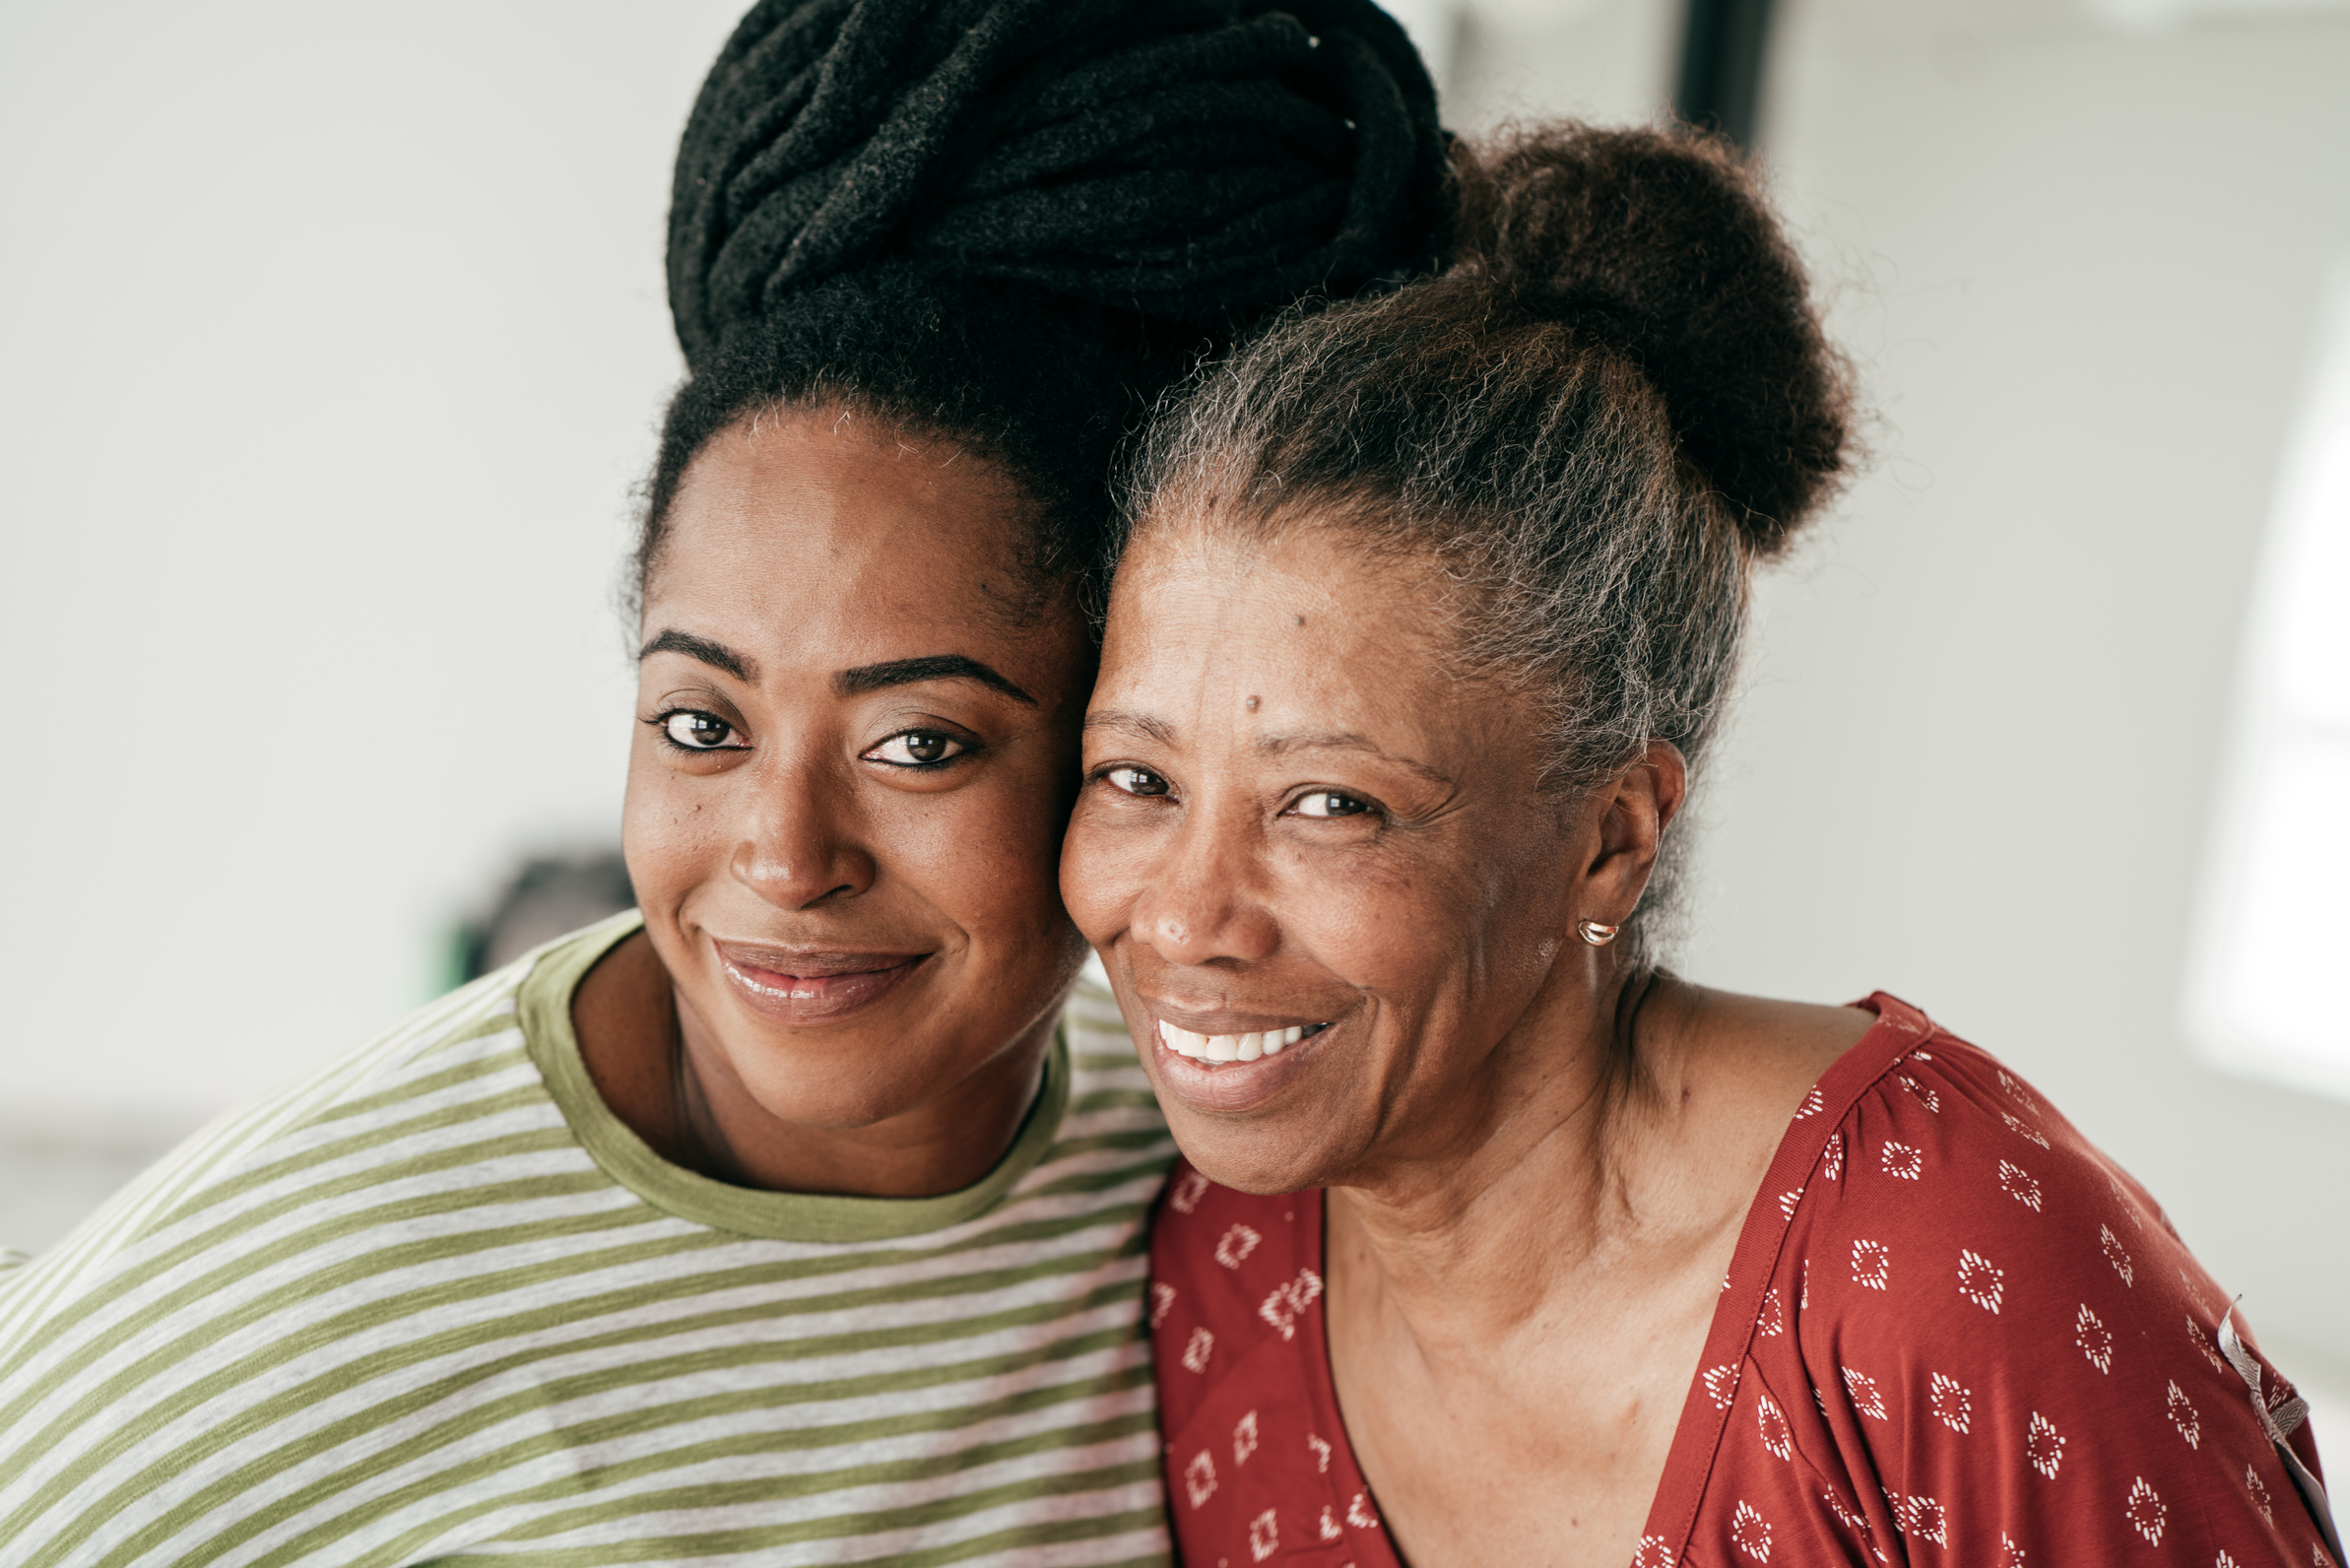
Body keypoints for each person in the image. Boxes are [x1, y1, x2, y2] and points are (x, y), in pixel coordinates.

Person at [0, 3, 1446, 1563]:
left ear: (1124, 758)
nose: (781, 852)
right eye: (699, 723)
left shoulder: (1205, 1166)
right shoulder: (302, 1281)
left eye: (919, 744)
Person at [1061, 123, 2341, 1567]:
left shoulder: (1945, 1276)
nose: (1182, 919)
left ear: (1611, 839)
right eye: (1133, 776)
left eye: (1328, 804)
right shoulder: (1208, 1265)